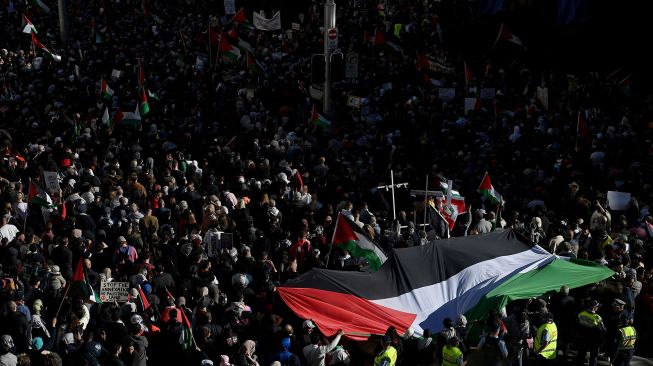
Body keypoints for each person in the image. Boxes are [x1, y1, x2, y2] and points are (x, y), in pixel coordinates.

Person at [576, 300, 606, 366]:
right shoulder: (597, 318)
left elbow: (577, 326)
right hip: (593, 340)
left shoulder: (581, 314)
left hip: (582, 338)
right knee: (593, 357)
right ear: (594, 307)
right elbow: (603, 330)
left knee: (581, 355)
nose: (598, 308)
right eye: (597, 307)